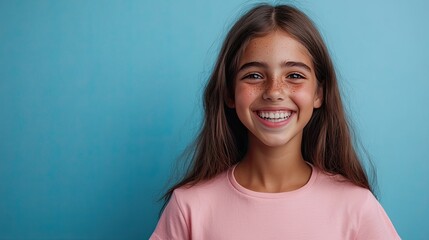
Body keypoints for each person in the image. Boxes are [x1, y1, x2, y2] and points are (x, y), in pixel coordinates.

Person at [150, 3, 400, 240]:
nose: (274, 91)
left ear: (318, 93)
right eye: (255, 75)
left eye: (294, 75)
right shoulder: (189, 207)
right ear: (229, 93)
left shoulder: (356, 206)